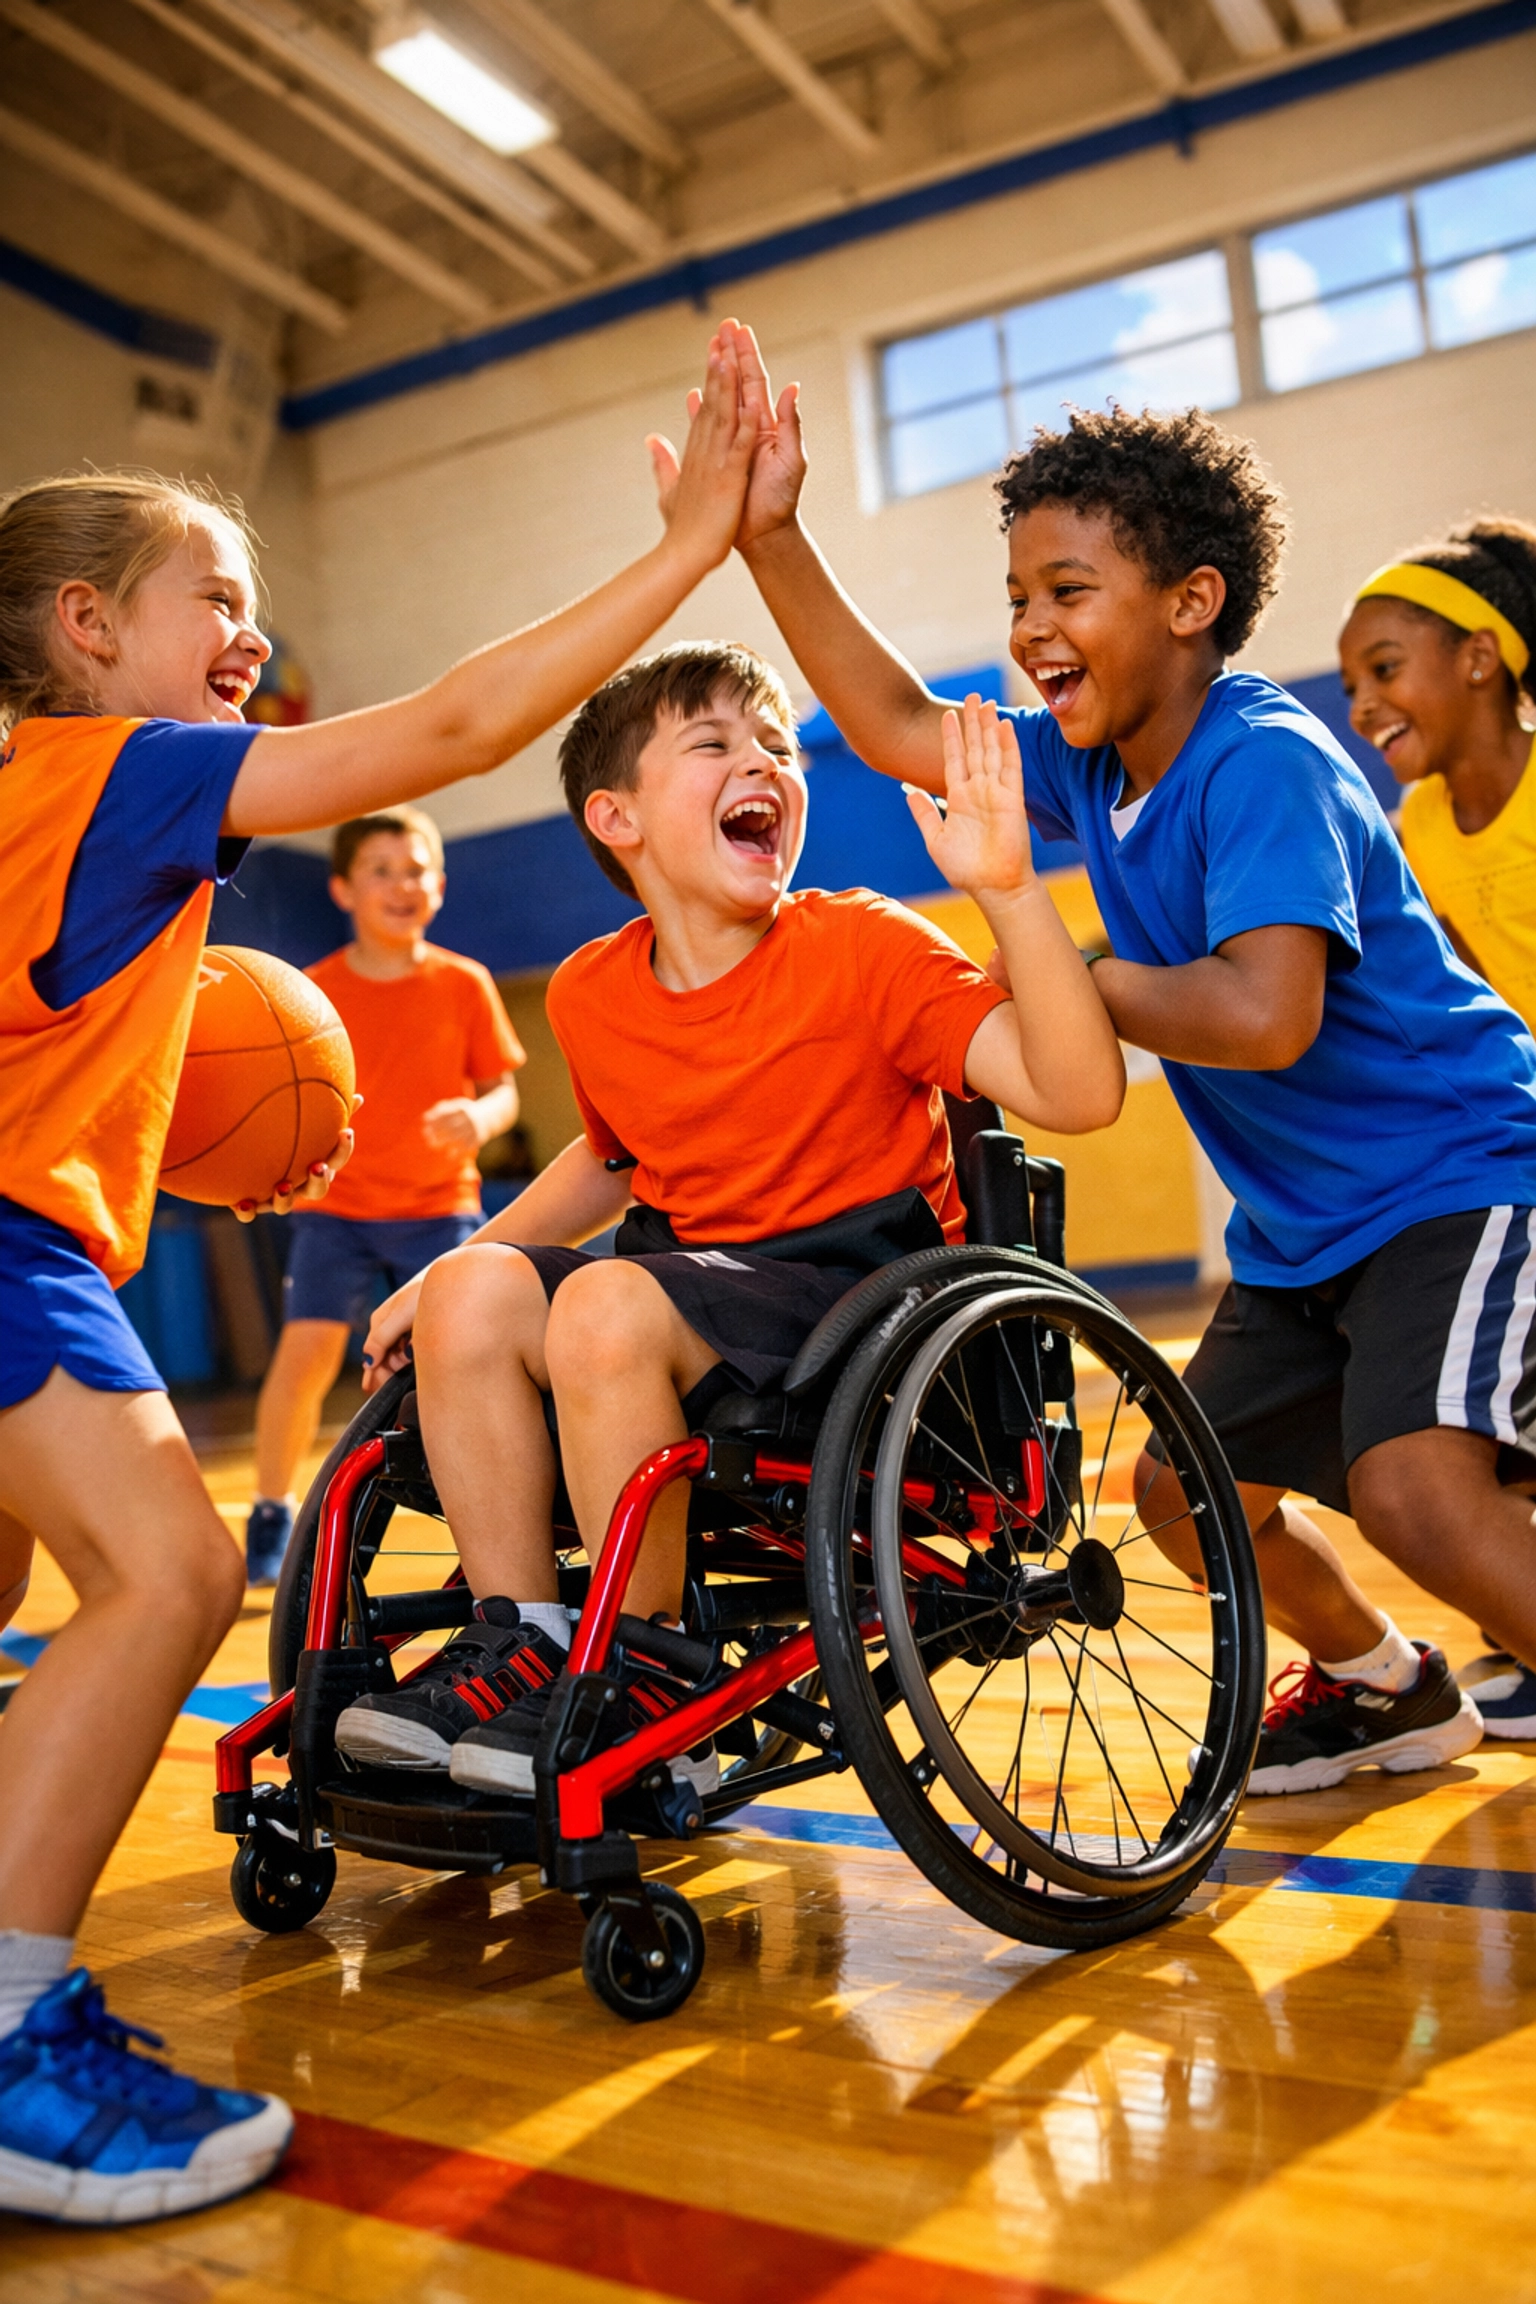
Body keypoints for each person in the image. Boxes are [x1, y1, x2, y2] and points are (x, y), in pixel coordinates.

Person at [0, 333, 759, 2223]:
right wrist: (680, 555)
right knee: (170, 1568)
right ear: (89, 625)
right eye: (219, 602)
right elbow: (450, 729)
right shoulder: (132, 766)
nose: (251, 635)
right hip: (12, 1239)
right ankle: (10, 2037)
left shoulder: (27, 784)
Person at [725, 314, 1536, 1796]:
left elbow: (1265, 1015)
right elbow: (905, 723)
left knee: (1417, 1493)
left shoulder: (1263, 756)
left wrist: (1072, 976)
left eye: (1068, 590)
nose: (1031, 627)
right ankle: (1386, 1687)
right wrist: (774, 540)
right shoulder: (1093, 768)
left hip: (1459, 1179)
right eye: (1018, 594)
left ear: (1190, 602)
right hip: (1308, 1237)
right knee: (1182, 1485)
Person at [346, 639, 1124, 1795]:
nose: (764, 760)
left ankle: (651, 1664)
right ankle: (523, 1637)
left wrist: (1008, 889)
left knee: (608, 1303)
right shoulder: (589, 990)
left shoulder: (866, 945)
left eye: (775, 744)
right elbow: (610, 1163)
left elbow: (1078, 1092)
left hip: (854, 1302)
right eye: (714, 743)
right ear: (618, 818)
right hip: (691, 1292)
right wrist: (449, 1267)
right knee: (476, 1286)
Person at [1340, 518, 1536, 1736]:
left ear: (1480, 657)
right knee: (1483, 1414)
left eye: (1385, 666)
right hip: (1509, 1136)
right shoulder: (1413, 826)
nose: (1363, 702)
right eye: (1352, 680)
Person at [244, 806, 524, 1585]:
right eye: (382, 871)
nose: (403, 885)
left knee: (461, 1364)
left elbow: (503, 1092)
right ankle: (271, 1509)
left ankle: (492, 1514)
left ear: (439, 885)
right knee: (305, 1357)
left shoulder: (464, 983)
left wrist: (481, 1116)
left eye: (417, 870)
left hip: (439, 1207)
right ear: (341, 888)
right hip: (339, 1209)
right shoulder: (314, 993)